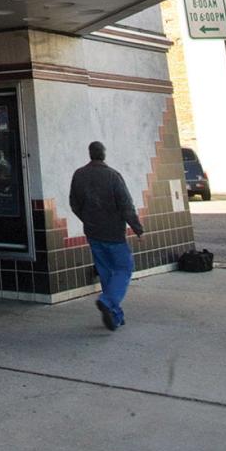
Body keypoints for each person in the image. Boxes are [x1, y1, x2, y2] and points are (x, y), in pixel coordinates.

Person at [69, 141, 144, 331]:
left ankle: (115, 314)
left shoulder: (79, 175)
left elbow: (74, 203)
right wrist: (137, 227)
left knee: (106, 272)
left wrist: (87, 218)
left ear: (89, 154)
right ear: (103, 154)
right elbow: (126, 205)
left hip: (93, 232)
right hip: (114, 233)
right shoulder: (113, 176)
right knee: (124, 268)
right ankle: (108, 301)